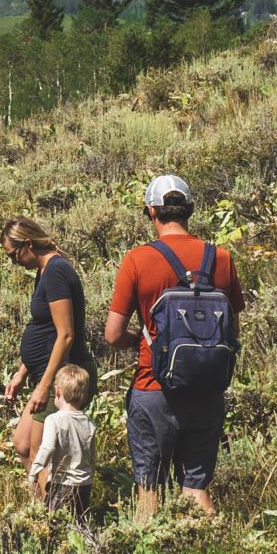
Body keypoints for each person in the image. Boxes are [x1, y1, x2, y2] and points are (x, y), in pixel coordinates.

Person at [102, 173, 245, 518]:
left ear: (152, 212)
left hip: (154, 386)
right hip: (207, 389)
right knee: (196, 487)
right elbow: (233, 329)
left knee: (149, 486)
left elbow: (112, 334)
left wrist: (142, 341)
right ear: (190, 210)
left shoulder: (137, 259)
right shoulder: (220, 259)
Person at [0, 216, 93, 461]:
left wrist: (44, 386)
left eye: (13, 255)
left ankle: (53, 500)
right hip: (46, 372)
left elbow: (66, 335)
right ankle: (42, 500)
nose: (14, 262)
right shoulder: (45, 271)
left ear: (28, 244)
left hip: (61, 377)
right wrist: (22, 373)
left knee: (41, 453)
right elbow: (45, 328)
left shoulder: (55, 272)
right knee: (22, 444)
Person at [27, 362, 96, 519]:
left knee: (55, 522)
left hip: (62, 483)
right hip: (84, 484)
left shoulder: (54, 420)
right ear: (84, 395)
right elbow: (92, 456)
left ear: (57, 391)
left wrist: (35, 471)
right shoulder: (88, 422)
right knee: (81, 521)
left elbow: (47, 448)